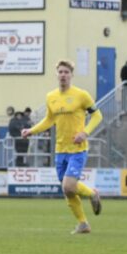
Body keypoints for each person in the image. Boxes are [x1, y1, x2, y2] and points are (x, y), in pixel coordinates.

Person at [21, 60, 103, 234]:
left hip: (78, 149)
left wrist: (85, 133)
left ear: (71, 75)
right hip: (60, 149)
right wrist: (32, 130)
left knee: (68, 186)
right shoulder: (51, 97)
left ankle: (92, 194)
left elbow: (97, 115)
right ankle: (83, 224)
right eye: (60, 72)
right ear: (56, 74)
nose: (63, 75)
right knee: (68, 191)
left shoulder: (81, 95)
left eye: (66, 72)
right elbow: (49, 120)